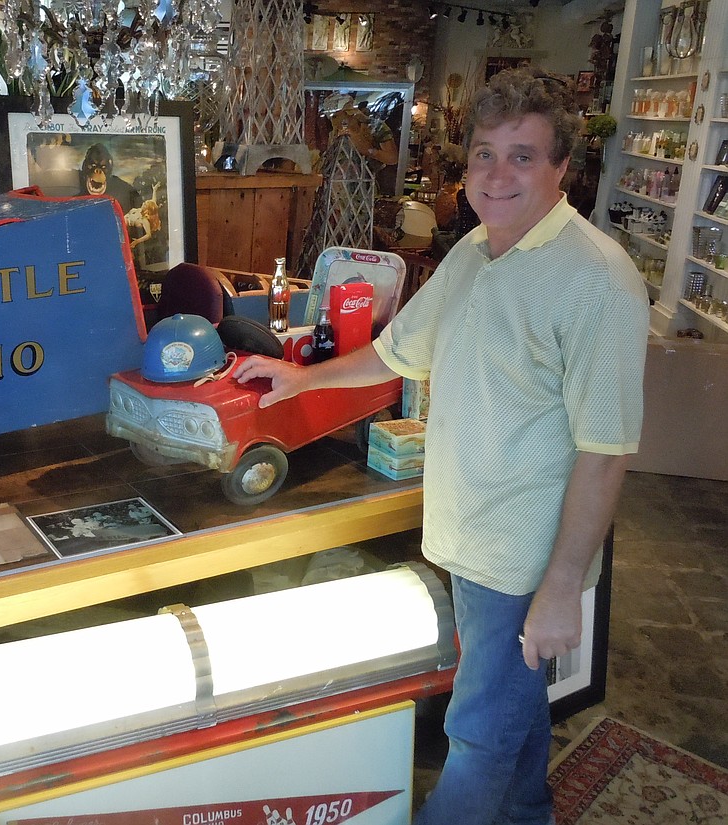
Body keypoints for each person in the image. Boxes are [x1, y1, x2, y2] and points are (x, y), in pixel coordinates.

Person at [234, 66, 649, 824]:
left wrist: (560, 587)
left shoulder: (599, 281)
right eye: (485, 153)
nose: (496, 174)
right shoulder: (473, 252)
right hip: (467, 534)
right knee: (511, 715)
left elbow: (606, 449)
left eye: (522, 156)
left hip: (522, 556)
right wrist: (301, 381)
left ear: (563, 168)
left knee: (477, 732)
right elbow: (398, 351)